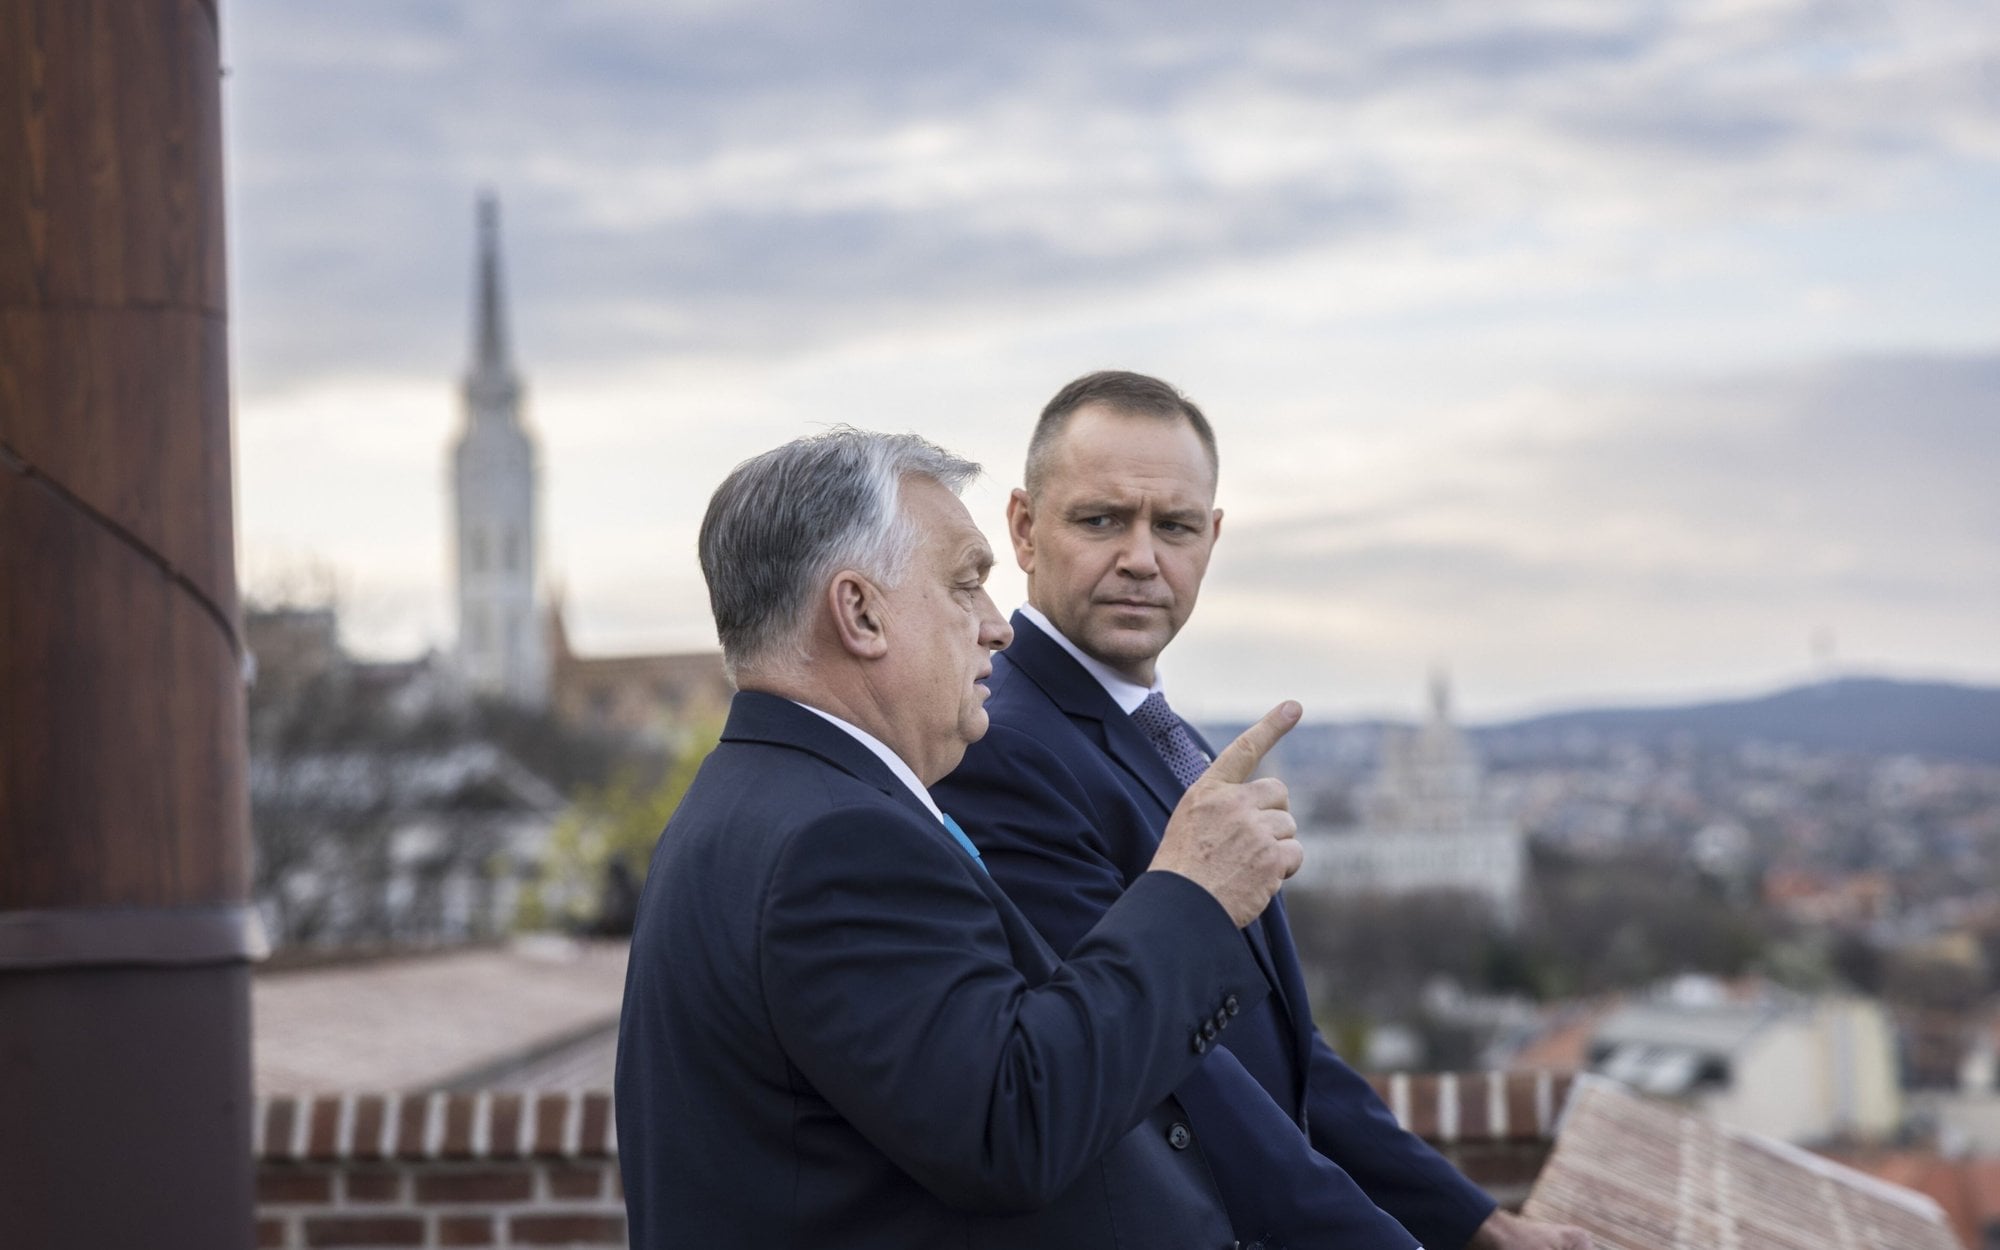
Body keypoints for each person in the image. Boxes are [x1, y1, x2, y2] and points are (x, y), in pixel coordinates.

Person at [936, 372, 1594, 1250]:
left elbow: (1286, 1055)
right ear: (1023, 528)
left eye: (1172, 526)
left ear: (1211, 538)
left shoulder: (1178, 744)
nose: (1141, 558)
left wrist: (1479, 1227)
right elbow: (1189, 1089)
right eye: (1101, 520)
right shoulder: (1005, 748)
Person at [616, 427, 1312, 1249]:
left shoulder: (772, 802)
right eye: (966, 584)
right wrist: (1191, 897)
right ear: (861, 613)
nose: (998, 626)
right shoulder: (837, 843)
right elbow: (1009, 1122)